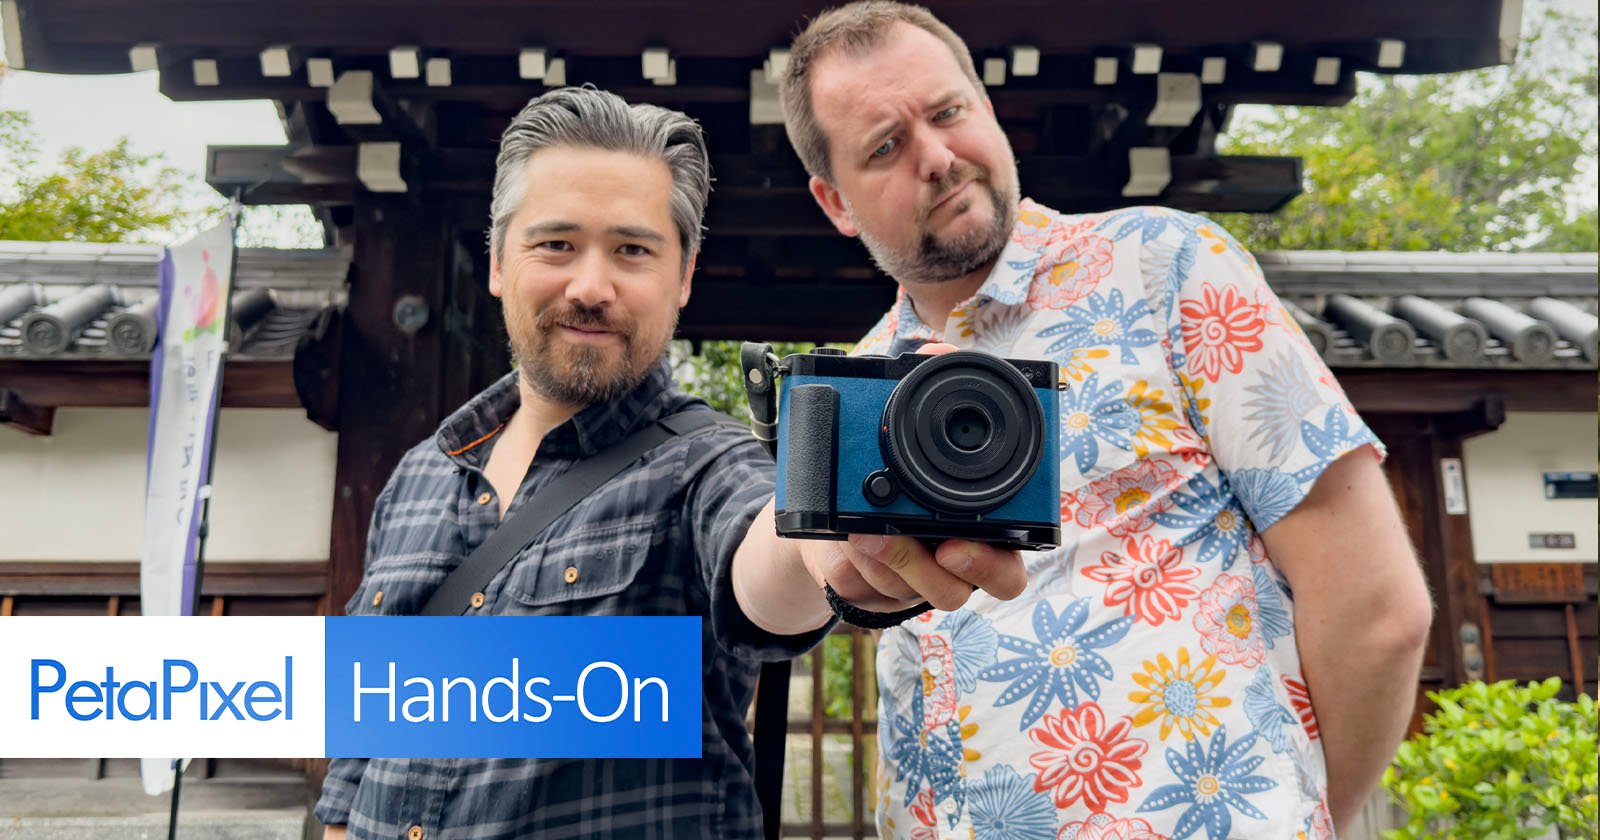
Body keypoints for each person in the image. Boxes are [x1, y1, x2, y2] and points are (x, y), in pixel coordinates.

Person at [778, 4, 1434, 838]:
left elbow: (1379, 611)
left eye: (948, 113)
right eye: (885, 147)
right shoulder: (855, 383)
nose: (938, 158)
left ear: (986, 105)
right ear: (835, 202)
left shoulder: (1168, 267)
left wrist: (1296, 815)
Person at [315, 85, 1022, 840]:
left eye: (632, 250)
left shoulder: (705, 468)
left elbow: (768, 558)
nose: (591, 287)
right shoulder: (417, 477)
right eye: (555, 244)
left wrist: (831, 542)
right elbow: (366, 737)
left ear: (682, 277)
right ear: (497, 263)